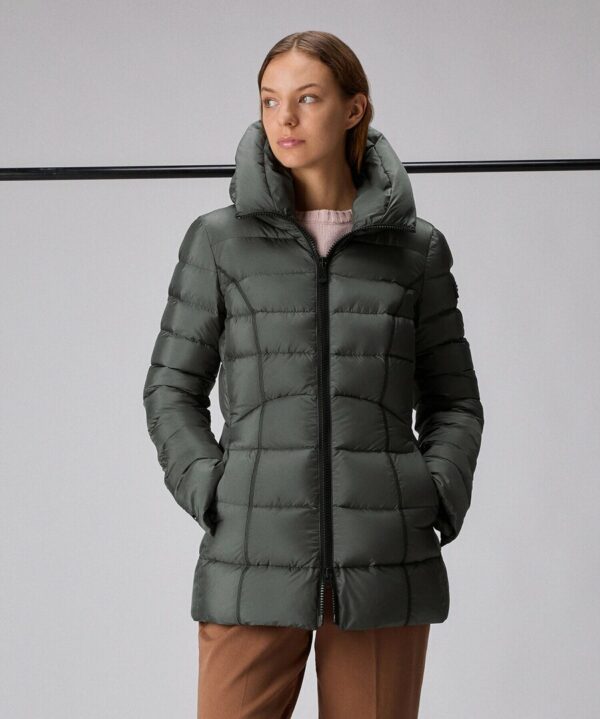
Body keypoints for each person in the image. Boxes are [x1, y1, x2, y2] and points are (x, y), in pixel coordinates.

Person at [142, 30, 484, 719]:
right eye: (270, 101)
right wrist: (212, 487)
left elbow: (455, 401)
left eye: (307, 99)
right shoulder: (219, 241)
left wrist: (433, 493)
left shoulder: (416, 251)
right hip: (251, 557)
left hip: (384, 560)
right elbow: (171, 389)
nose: (285, 119)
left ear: (354, 108)